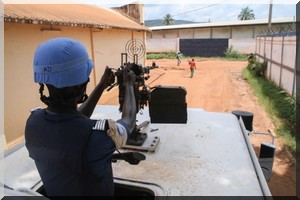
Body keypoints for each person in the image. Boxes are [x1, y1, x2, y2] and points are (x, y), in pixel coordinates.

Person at [25, 37, 137, 196]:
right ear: (82, 84)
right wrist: (130, 85)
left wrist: (102, 85)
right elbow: (129, 121)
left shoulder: (33, 123)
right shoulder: (99, 136)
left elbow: (72, 121)